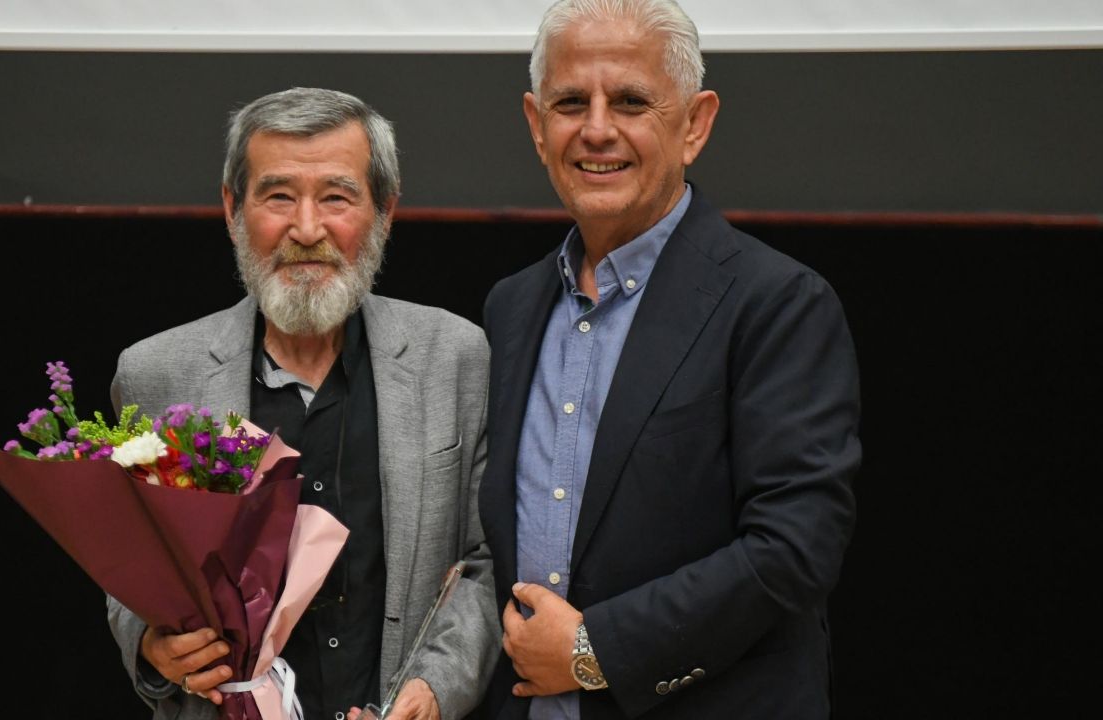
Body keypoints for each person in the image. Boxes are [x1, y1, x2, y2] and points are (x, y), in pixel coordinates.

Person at [478, 2, 862, 718]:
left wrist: (594, 650)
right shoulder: (511, 308)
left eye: (630, 102)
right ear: (536, 125)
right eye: (570, 103)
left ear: (694, 124)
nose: (596, 129)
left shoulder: (778, 304)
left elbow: (793, 549)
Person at [106, 87, 498, 720]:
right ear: (233, 208)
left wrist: (432, 691)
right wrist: (153, 647)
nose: (308, 230)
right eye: (279, 197)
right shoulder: (158, 373)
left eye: (337, 198)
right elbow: (130, 571)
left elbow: (484, 564)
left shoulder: (454, 358)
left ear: (385, 211)